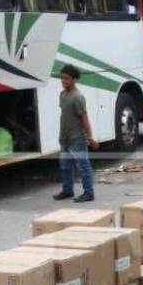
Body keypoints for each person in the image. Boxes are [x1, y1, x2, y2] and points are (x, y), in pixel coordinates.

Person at [53, 64, 98, 203]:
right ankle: (68, 190)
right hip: (65, 138)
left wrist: (90, 137)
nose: (63, 81)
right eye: (62, 78)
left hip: (76, 138)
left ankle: (89, 193)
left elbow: (84, 118)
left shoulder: (78, 97)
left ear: (74, 80)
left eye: (66, 78)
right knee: (65, 165)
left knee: (83, 166)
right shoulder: (63, 94)